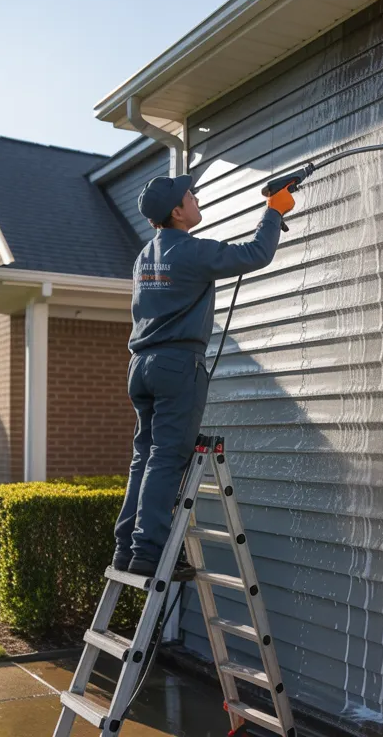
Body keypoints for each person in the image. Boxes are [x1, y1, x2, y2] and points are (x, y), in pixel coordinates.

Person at [113, 173, 295, 578]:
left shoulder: (145, 257)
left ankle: (127, 549)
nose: (196, 198)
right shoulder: (189, 251)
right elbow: (255, 254)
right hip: (177, 366)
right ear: (177, 212)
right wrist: (273, 213)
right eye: (190, 196)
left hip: (141, 366)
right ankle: (149, 552)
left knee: (144, 457)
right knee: (167, 458)